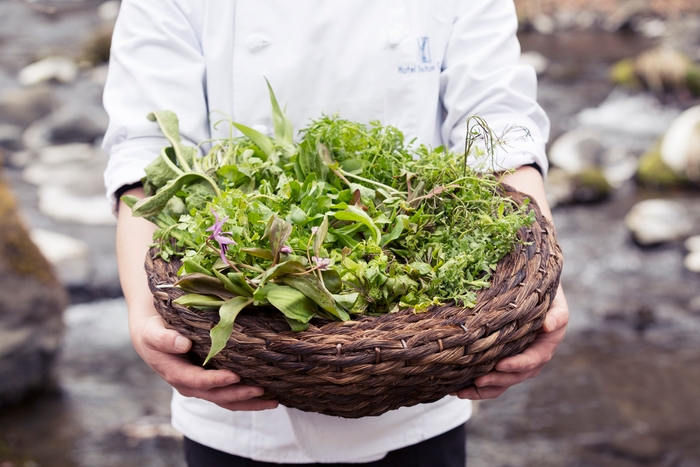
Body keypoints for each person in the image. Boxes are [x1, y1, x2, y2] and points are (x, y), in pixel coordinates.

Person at [103, 1, 570, 465]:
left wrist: (540, 281)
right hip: (237, 407)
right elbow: (147, 157)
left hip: (422, 380)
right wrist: (145, 315)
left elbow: (499, 126)